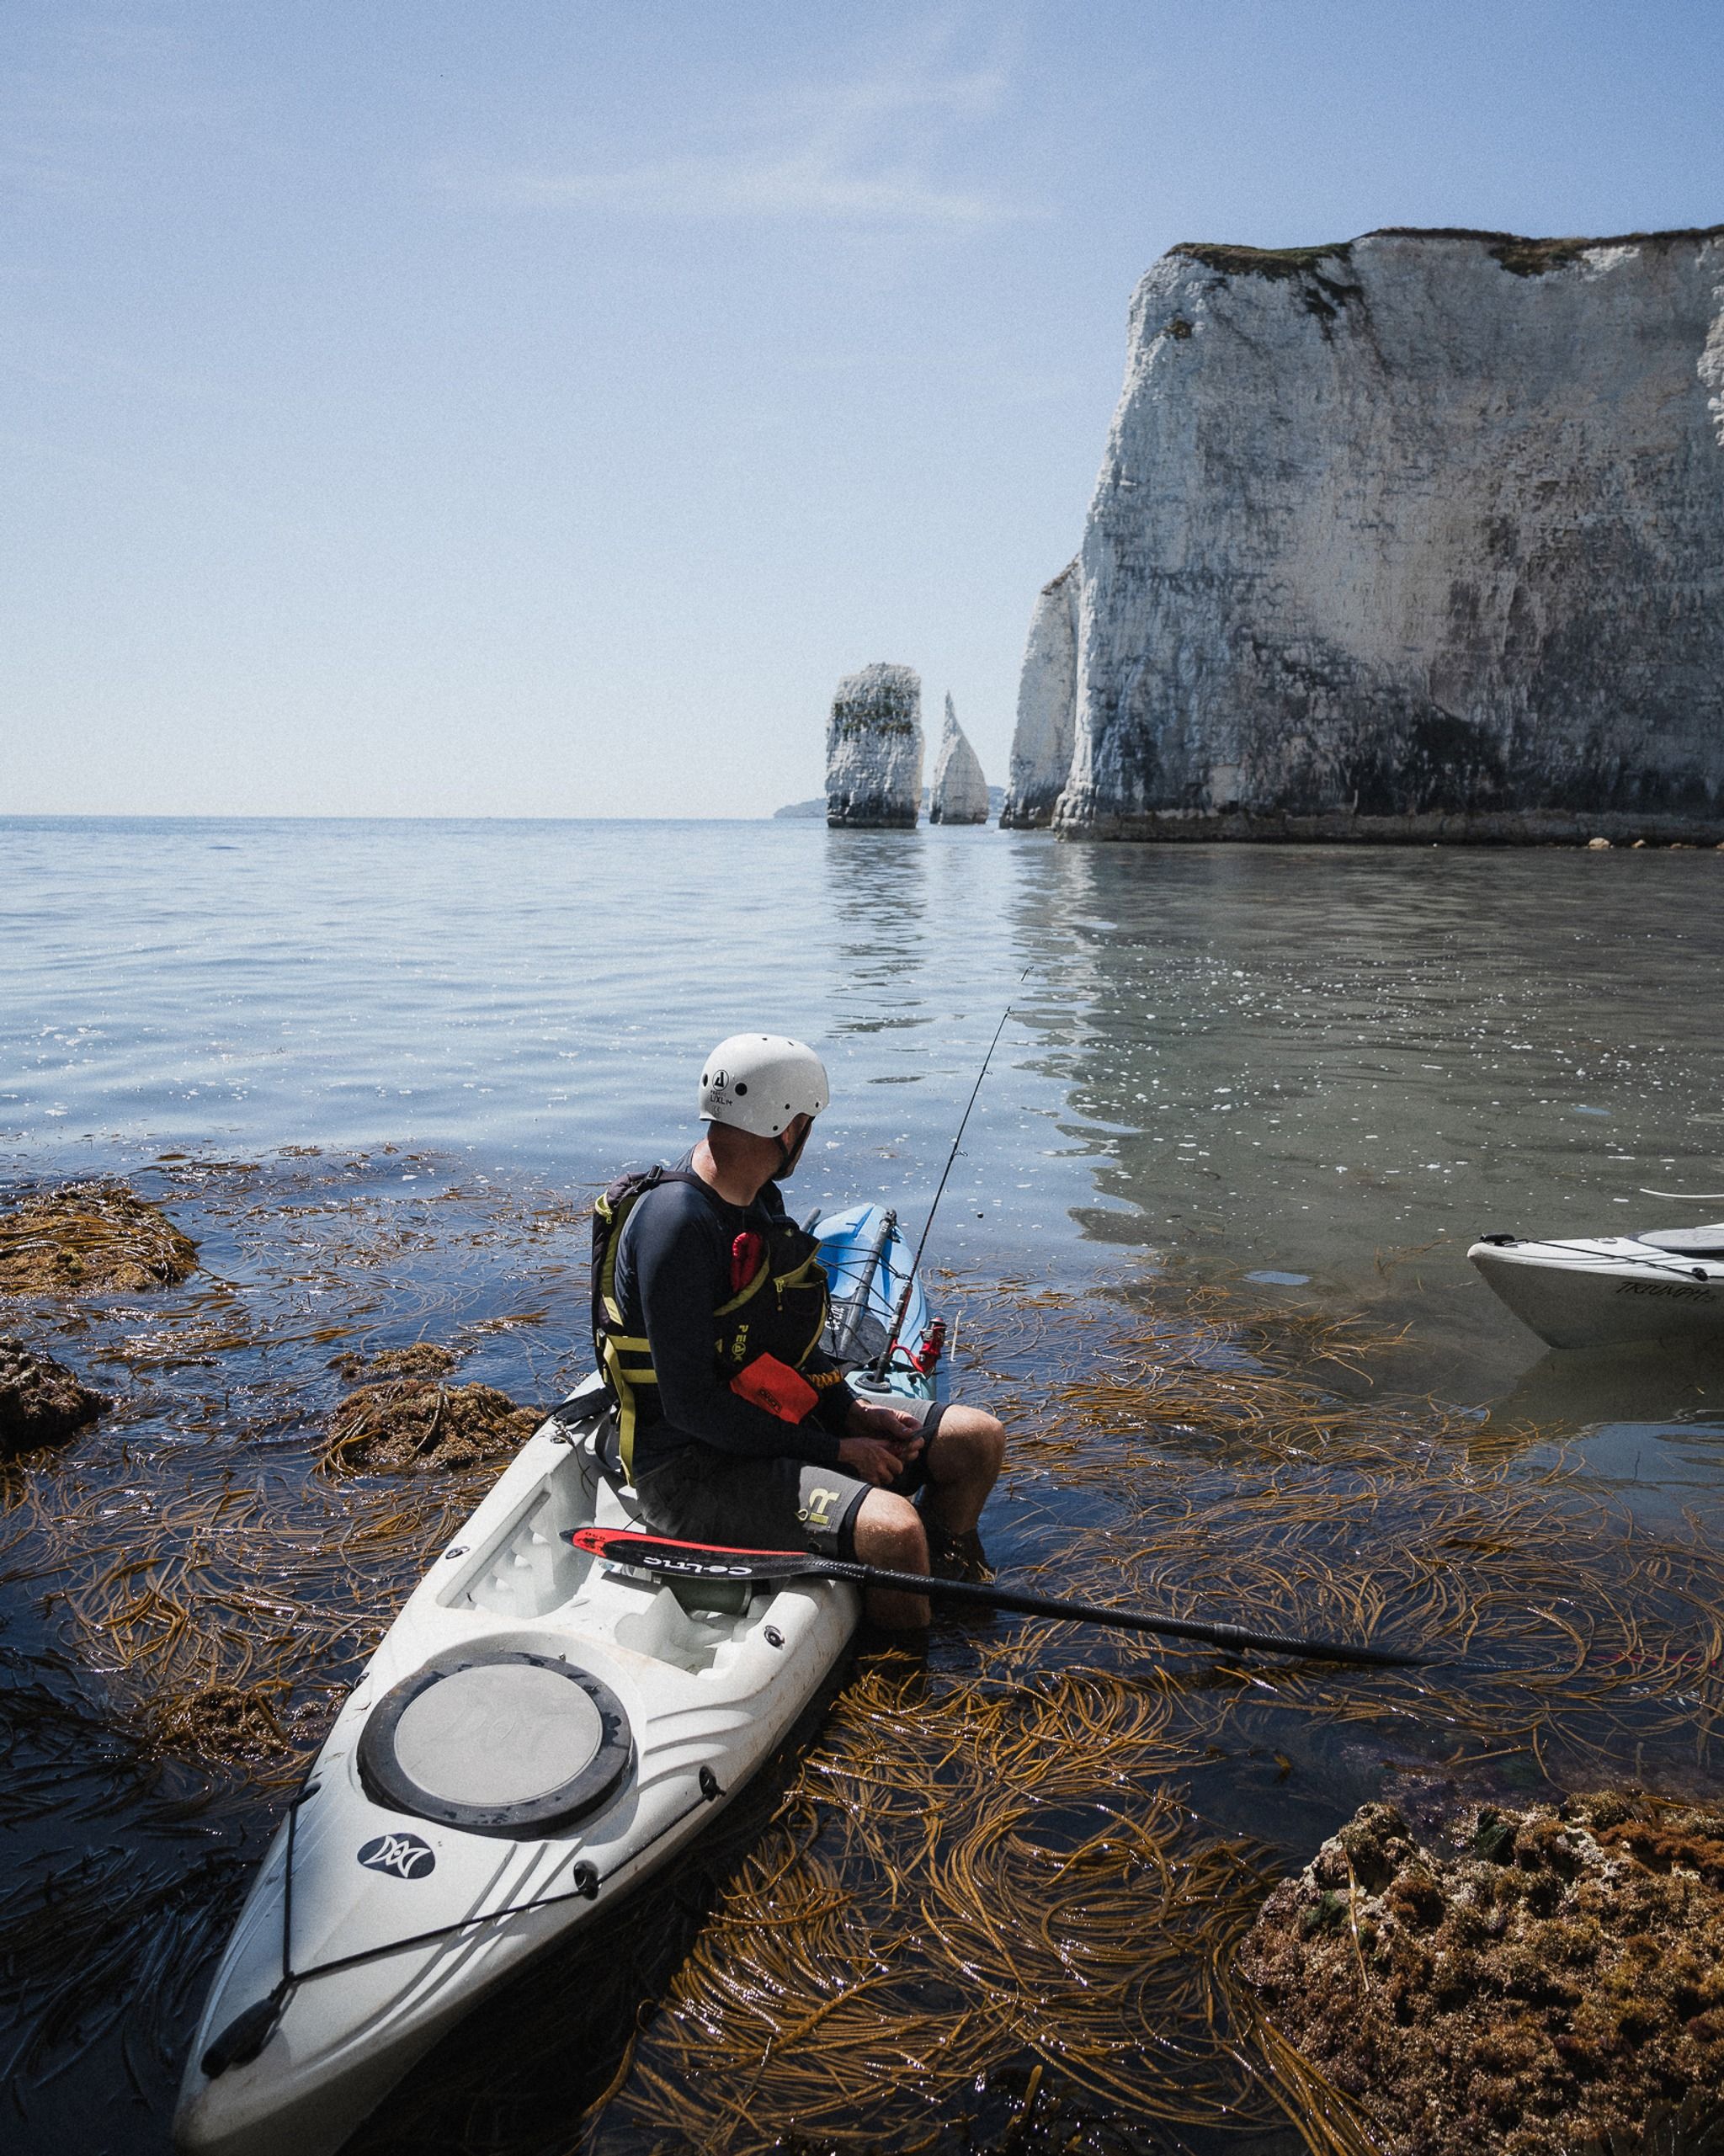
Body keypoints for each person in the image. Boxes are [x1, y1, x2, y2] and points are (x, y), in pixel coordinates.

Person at [591, 1033, 1004, 1628]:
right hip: (688, 1472)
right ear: (788, 1128)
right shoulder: (676, 1225)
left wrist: (852, 1411)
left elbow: (787, 1341)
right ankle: (905, 1673)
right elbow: (691, 1407)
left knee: (976, 1439)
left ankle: (950, 1588)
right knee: (894, 1532)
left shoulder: (757, 1200)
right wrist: (836, 1449)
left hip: (765, 1427)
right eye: (808, 1122)